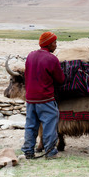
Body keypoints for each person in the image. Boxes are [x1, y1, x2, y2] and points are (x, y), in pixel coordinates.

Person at [21, 32, 65, 160]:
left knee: (30, 125)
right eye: (55, 42)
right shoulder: (51, 59)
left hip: (30, 99)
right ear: (49, 44)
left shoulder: (30, 56)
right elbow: (60, 79)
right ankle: (50, 152)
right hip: (45, 99)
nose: (56, 45)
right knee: (49, 125)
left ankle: (28, 151)